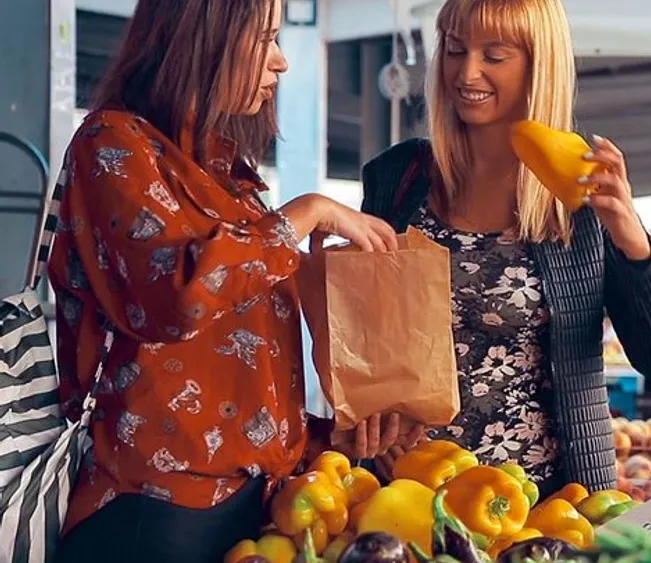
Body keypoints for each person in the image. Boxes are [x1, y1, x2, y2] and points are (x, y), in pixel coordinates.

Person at [47, 1, 411, 561]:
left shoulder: (227, 174)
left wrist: (323, 437)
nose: (281, 62)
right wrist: (306, 213)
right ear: (202, 39)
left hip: (250, 505)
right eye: (265, 40)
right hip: (154, 509)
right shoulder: (111, 143)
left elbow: (239, 369)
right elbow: (176, 300)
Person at [357, 0, 651, 497]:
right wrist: (370, 414)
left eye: (494, 56)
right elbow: (361, 330)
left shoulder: (582, 191)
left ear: (539, 65)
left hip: (548, 504)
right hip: (407, 495)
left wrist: (631, 236)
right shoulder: (398, 177)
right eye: (455, 49)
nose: (466, 72)